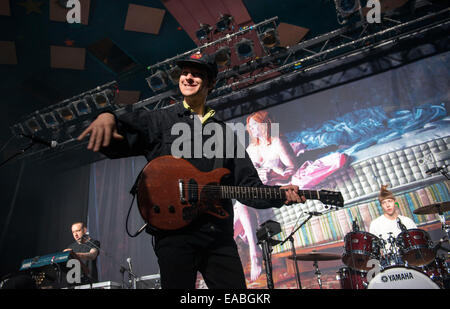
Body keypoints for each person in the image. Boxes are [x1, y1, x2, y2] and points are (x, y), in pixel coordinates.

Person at [77, 52, 306, 289]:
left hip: (217, 238)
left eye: (196, 74)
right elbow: (118, 141)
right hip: (174, 237)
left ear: (210, 83)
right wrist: (106, 116)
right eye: (185, 73)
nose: (187, 77)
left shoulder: (226, 134)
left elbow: (247, 188)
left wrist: (280, 195)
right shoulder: (160, 120)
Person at [234, 110, 298, 281]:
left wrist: (273, 174)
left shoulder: (278, 142)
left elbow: (292, 169)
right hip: (255, 188)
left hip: (273, 185)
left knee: (241, 203)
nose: (253, 129)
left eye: (256, 125)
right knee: (233, 220)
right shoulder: (251, 149)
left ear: (267, 123)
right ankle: (250, 257)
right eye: (251, 127)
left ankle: (254, 252)